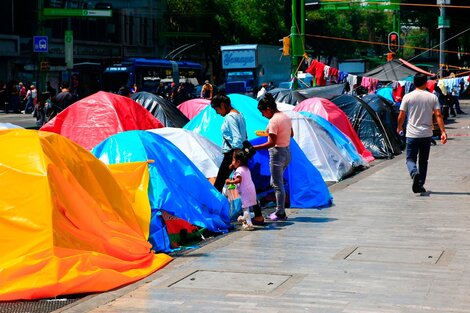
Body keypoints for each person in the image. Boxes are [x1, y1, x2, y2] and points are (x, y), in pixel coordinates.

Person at [397, 73, 447, 194]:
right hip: (427, 134)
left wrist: (399, 127)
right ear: (426, 83)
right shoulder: (432, 97)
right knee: (423, 160)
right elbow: (438, 115)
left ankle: (414, 173)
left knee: (410, 159)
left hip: (412, 134)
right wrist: (443, 132)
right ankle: (420, 184)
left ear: (414, 83)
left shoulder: (407, 97)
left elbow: (401, 115)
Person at [253, 93, 293, 221]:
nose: (262, 115)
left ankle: (280, 212)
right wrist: (270, 133)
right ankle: (280, 203)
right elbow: (291, 134)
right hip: (287, 152)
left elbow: (271, 143)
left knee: (277, 185)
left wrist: (254, 148)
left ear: (268, 109)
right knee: (276, 182)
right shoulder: (285, 116)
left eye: (263, 112)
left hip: (277, 153)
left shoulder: (274, 120)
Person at [225, 150, 261, 231]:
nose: (232, 162)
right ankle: (246, 217)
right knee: (247, 207)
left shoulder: (239, 170)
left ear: (238, 161)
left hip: (245, 191)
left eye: (233, 160)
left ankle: (249, 224)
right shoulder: (245, 168)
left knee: (245, 208)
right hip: (251, 189)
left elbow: (238, 180)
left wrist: (229, 181)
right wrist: (232, 166)